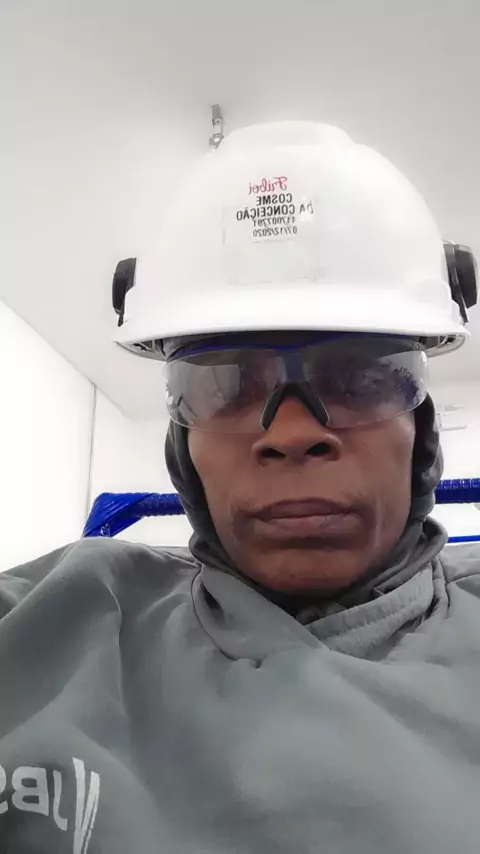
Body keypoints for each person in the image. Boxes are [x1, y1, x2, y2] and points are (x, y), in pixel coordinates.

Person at [0, 121, 479, 854]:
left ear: (422, 433)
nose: (292, 432)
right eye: (224, 384)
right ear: (181, 451)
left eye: (357, 377)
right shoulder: (51, 620)